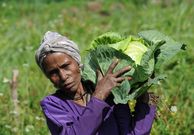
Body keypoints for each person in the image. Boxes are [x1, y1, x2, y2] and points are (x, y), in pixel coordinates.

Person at [35, 31, 157, 135]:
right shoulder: (53, 104)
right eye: (53, 72)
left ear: (77, 63)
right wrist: (99, 96)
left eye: (66, 66)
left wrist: (144, 102)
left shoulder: (111, 95)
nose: (63, 76)